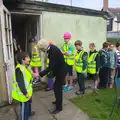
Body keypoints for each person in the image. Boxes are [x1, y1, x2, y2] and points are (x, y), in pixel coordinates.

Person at [38, 39, 66, 114]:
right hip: (57, 69)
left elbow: (50, 67)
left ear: (44, 48)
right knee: (56, 87)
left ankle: (59, 108)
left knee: (57, 88)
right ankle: (57, 101)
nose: (41, 51)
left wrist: (40, 74)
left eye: (41, 49)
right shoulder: (51, 48)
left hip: (61, 71)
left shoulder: (53, 52)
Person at [12, 52, 38, 120]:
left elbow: (29, 76)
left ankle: (29, 114)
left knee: (28, 104)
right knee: (24, 108)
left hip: (28, 91)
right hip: (24, 94)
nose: (29, 59)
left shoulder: (25, 67)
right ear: (22, 60)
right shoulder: (19, 70)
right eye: (28, 58)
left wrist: (33, 74)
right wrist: (25, 93)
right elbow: (21, 84)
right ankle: (24, 117)